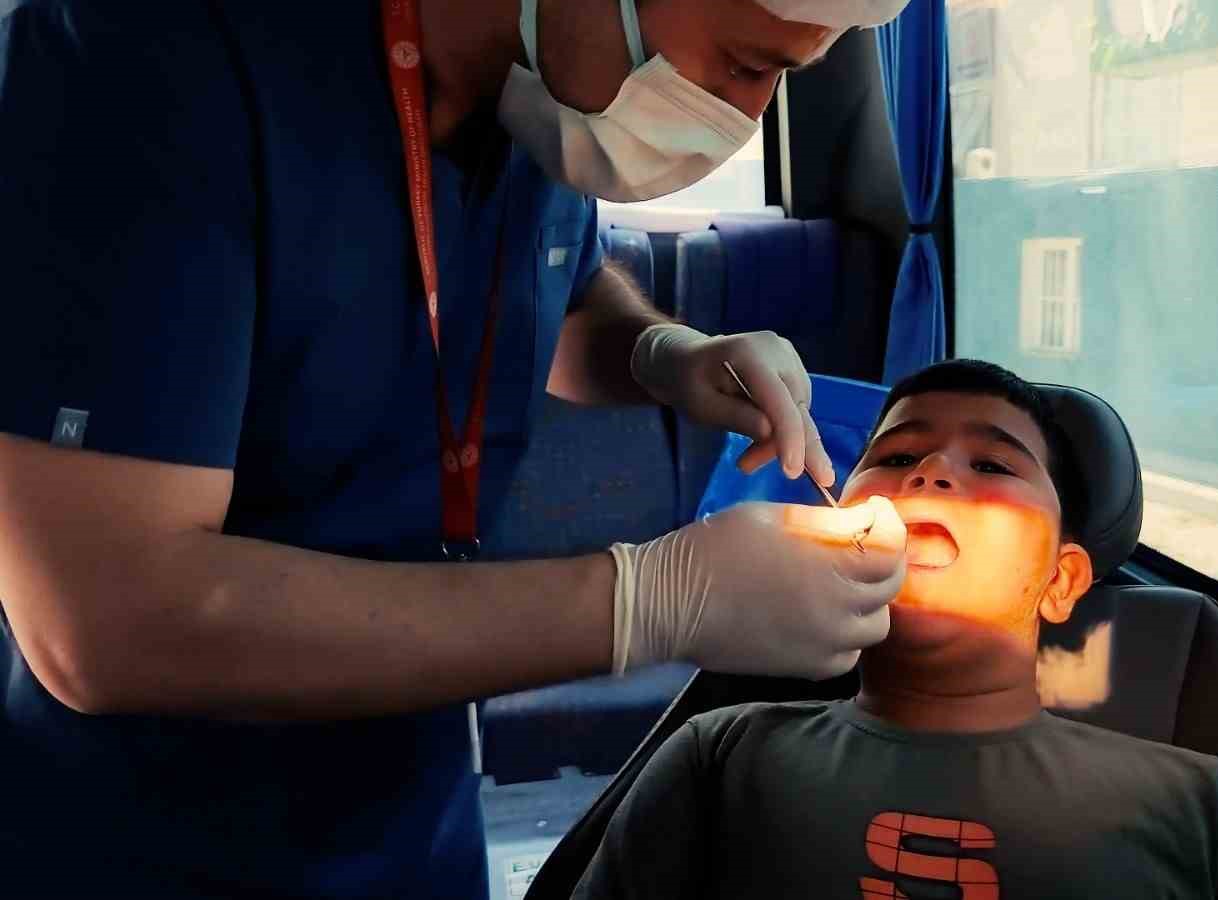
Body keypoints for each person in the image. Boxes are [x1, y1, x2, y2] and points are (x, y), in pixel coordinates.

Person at [0, 0, 910, 896]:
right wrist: (648, 604)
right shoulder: (147, 65)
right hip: (147, 844)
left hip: (414, 822)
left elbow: (561, 294)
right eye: (747, 64)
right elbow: (103, 622)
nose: (746, 117)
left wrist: (662, 353)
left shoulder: (542, 93)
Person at [573, 360, 1218, 900]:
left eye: (991, 463)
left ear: (1061, 581)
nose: (929, 472)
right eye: (895, 458)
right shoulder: (718, 756)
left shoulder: (1195, 805)